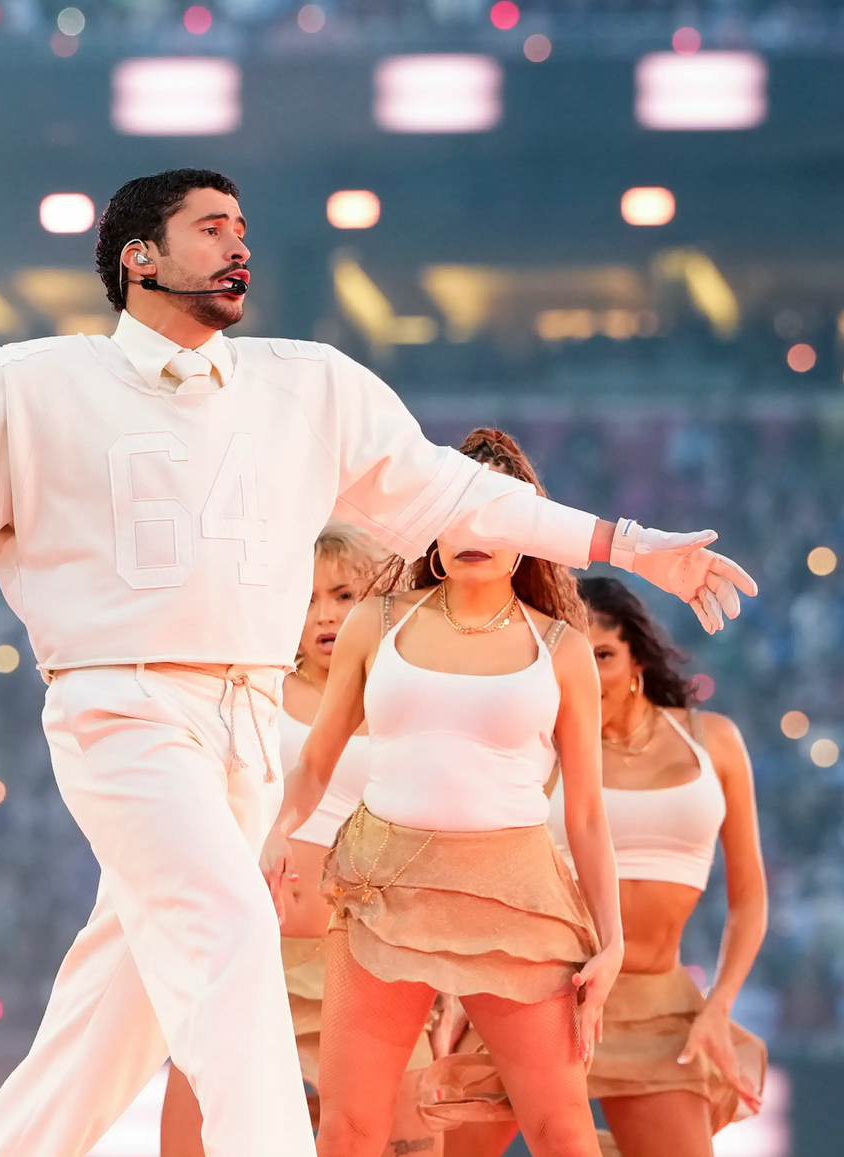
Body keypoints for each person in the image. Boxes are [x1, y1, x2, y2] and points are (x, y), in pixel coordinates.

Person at [0, 169, 755, 1157]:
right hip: (121, 715)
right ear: (139, 257)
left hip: (247, 721)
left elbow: (454, 490)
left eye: (243, 226)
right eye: (212, 226)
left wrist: (625, 541)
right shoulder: (36, 382)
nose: (239, 244)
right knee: (230, 935)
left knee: (109, 1018)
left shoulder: (308, 380)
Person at [259, 429, 623, 1157]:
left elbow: (584, 812)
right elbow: (317, 760)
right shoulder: (376, 623)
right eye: (456, 511)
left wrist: (610, 939)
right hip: (381, 892)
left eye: (496, 513)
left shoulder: (563, 650)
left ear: (529, 531)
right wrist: (277, 828)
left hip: (517, 899)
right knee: (348, 1130)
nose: (474, 532)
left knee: (561, 1130)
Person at [422, 576, 768, 1157]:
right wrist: (458, 984)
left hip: (658, 1013)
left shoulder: (714, 742)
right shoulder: (536, 746)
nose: (588, 671)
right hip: (540, 998)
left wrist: (721, 1005)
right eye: (575, 655)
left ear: (637, 655)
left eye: (602, 655)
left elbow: (750, 899)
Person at [160, 522, 439, 1157]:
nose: (325, 615)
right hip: (253, 962)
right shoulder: (254, 689)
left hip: (372, 966)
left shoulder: (409, 697)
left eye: (342, 595)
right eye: (306, 598)